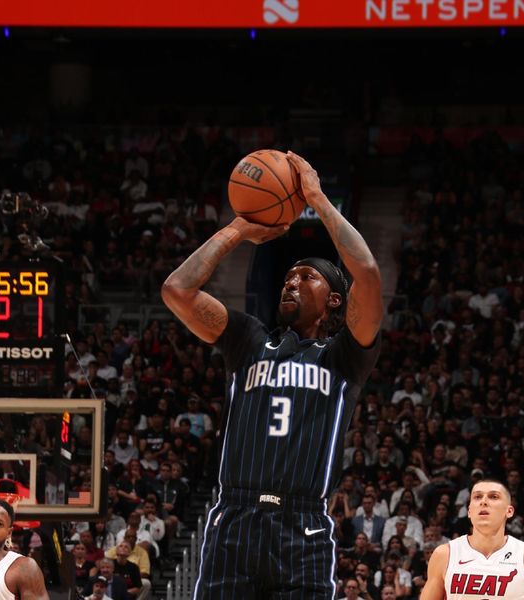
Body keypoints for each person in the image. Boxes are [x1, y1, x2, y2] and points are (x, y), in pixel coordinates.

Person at [162, 151, 382, 598]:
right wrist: (238, 228)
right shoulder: (248, 339)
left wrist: (317, 200)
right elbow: (177, 290)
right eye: (287, 276)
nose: (291, 281)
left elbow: (368, 273)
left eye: (306, 276)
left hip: (303, 526)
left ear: (335, 300)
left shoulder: (344, 357)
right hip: (234, 519)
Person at [420, 479, 524, 600]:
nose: (484, 502)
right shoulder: (444, 554)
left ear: (509, 511)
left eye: (494, 496)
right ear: (469, 511)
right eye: (477, 497)